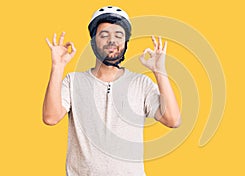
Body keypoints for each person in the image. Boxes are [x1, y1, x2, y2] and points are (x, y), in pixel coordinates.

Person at [43, 5, 181, 176]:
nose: (112, 41)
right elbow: (50, 117)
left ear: (125, 42)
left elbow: (173, 120)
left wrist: (159, 70)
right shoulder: (73, 81)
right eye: (104, 35)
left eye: (118, 35)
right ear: (93, 40)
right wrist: (58, 66)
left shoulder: (140, 83)